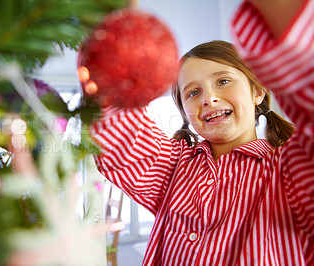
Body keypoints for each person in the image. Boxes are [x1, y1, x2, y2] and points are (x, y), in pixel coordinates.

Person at [91, 0, 314, 265]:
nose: (209, 99)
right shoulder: (172, 166)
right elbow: (115, 131)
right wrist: (124, 36)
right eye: (193, 92)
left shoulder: (286, 173)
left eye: (223, 81)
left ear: (257, 92)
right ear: (185, 112)